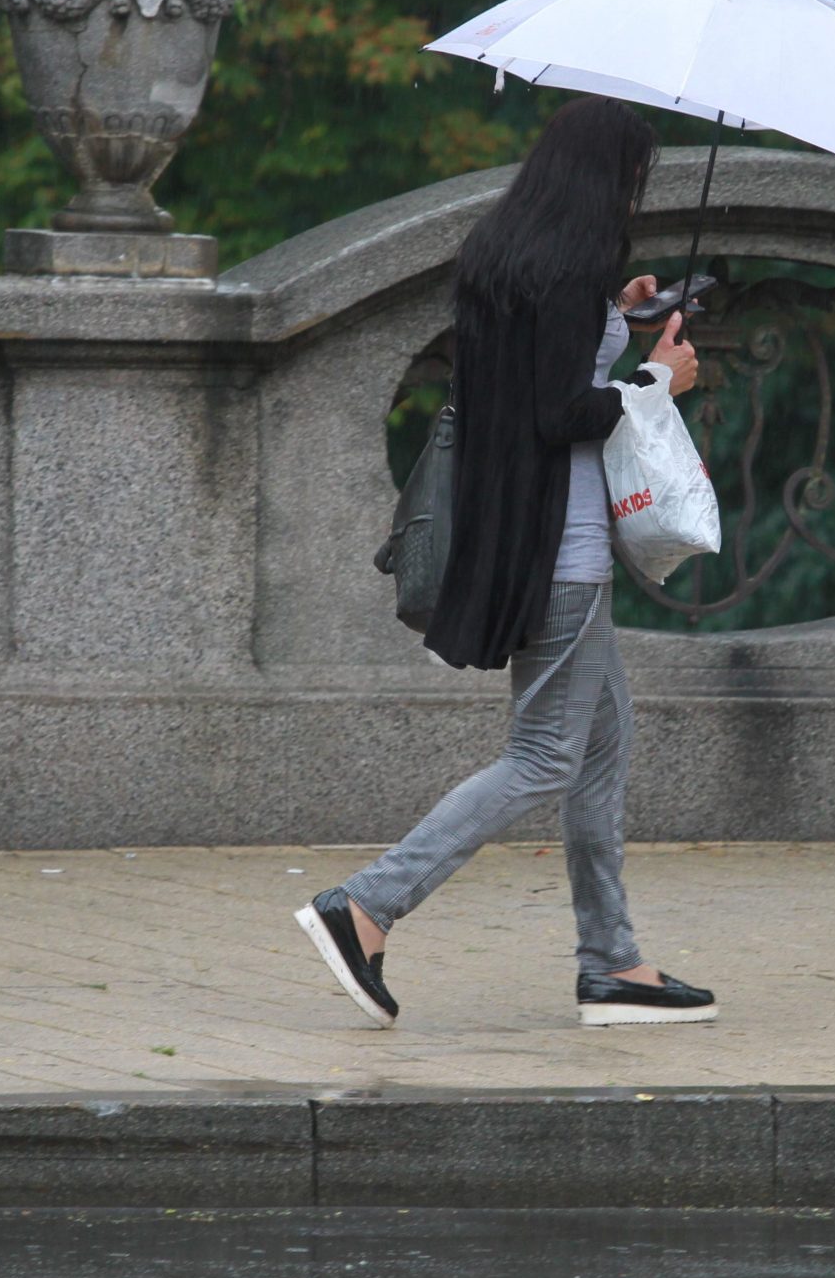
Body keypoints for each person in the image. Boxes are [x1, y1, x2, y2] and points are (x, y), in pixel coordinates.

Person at [296, 95, 718, 1030]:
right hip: (560, 551)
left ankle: (612, 963)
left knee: (603, 743)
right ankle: (366, 903)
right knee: (540, 758)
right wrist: (655, 379)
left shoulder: (510, 253)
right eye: (635, 174)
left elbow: (537, 362)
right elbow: (558, 413)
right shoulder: (572, 273)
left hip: (524, 534)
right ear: (610, 177)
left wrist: (624, 310)